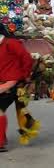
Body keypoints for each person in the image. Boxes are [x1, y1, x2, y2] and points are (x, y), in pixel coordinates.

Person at [0, 24, 40, 152]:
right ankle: (2, 138)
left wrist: (25, 76)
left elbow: (26, 58)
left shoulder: (11, 43)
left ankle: (0, 142)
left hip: (12, 82)